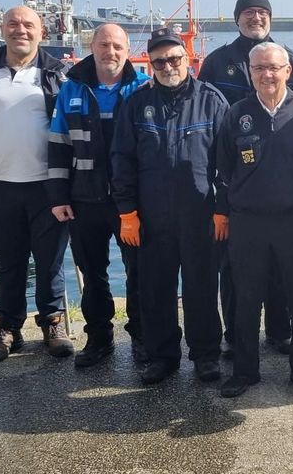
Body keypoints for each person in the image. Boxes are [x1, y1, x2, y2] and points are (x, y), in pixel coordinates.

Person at [213, 42, 293, 398]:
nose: (267, 74)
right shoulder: (237, 114)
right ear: (250, 73)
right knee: (246, 299)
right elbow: (223, 166)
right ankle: (245, 371)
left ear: (287, 71)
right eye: (259, 68)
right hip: (248, 223)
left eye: (274, 67)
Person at [112, 30, 228, 384]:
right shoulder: (136, 104)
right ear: (151, 65)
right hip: (152, 217)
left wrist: (223, 208)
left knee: (201, 287)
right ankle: (162, 356)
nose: (167, 67)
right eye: (159, 62)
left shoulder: (211, 100)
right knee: (155, 289)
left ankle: (206, 354)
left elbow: (229, 162)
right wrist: (127, 212)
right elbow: (122, 159)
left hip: (199, 214)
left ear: (187, 59)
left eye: (174, 59)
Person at [0, 5, 73, 364]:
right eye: (13, 24)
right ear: (2, 28)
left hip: (47, 185)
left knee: (50, 260)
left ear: (41, 33)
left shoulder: (56, 74)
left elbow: (71, 127)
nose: (20, 30)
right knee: (10, 262)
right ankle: (7, 328)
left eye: (28, 25)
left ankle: (52, 323)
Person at [199, 0, 293, 356]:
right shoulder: (217, 62)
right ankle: (235, 335)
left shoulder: (290, 59)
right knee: (233, 265)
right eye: (248, 12)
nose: (255, 18)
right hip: (234, 179)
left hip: (281, 178)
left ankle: (279, 330)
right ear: (237, 19)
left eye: (262, 12)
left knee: (279, 263)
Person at [46, 24, 149, 369]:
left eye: (118, 46)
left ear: (128, 50)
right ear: (92, 47)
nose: (111, 52)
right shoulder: (72, 89)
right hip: (84, 198)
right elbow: (58, 145)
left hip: (130, 201)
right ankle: (99, 338)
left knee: (138, 272)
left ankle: (141, 336)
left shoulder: (142, 87)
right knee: (92, 273)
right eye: (104, 44)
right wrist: (58, 196)